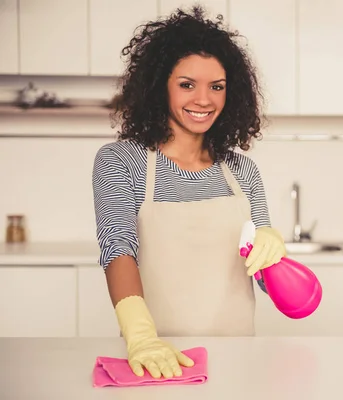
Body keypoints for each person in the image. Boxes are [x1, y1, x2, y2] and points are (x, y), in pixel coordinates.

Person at [92, 5, 286, 379]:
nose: (204, 99)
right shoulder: (121, 160)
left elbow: (263, 279)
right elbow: (117, 247)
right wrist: (141, 337)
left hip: (238, 361)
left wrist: (273, 251)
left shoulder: (242, 170)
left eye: (217, 86)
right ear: (159, 85)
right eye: (187, 84)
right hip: (157, 360)